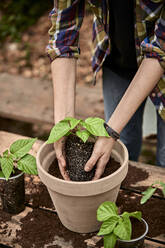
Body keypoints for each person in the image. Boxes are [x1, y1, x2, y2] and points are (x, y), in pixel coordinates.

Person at [46, 0, 165, 180]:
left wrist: (111, 131)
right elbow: (63, 33)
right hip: (117, 59)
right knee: (121, 148)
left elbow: (160, 50)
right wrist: (63, 124)